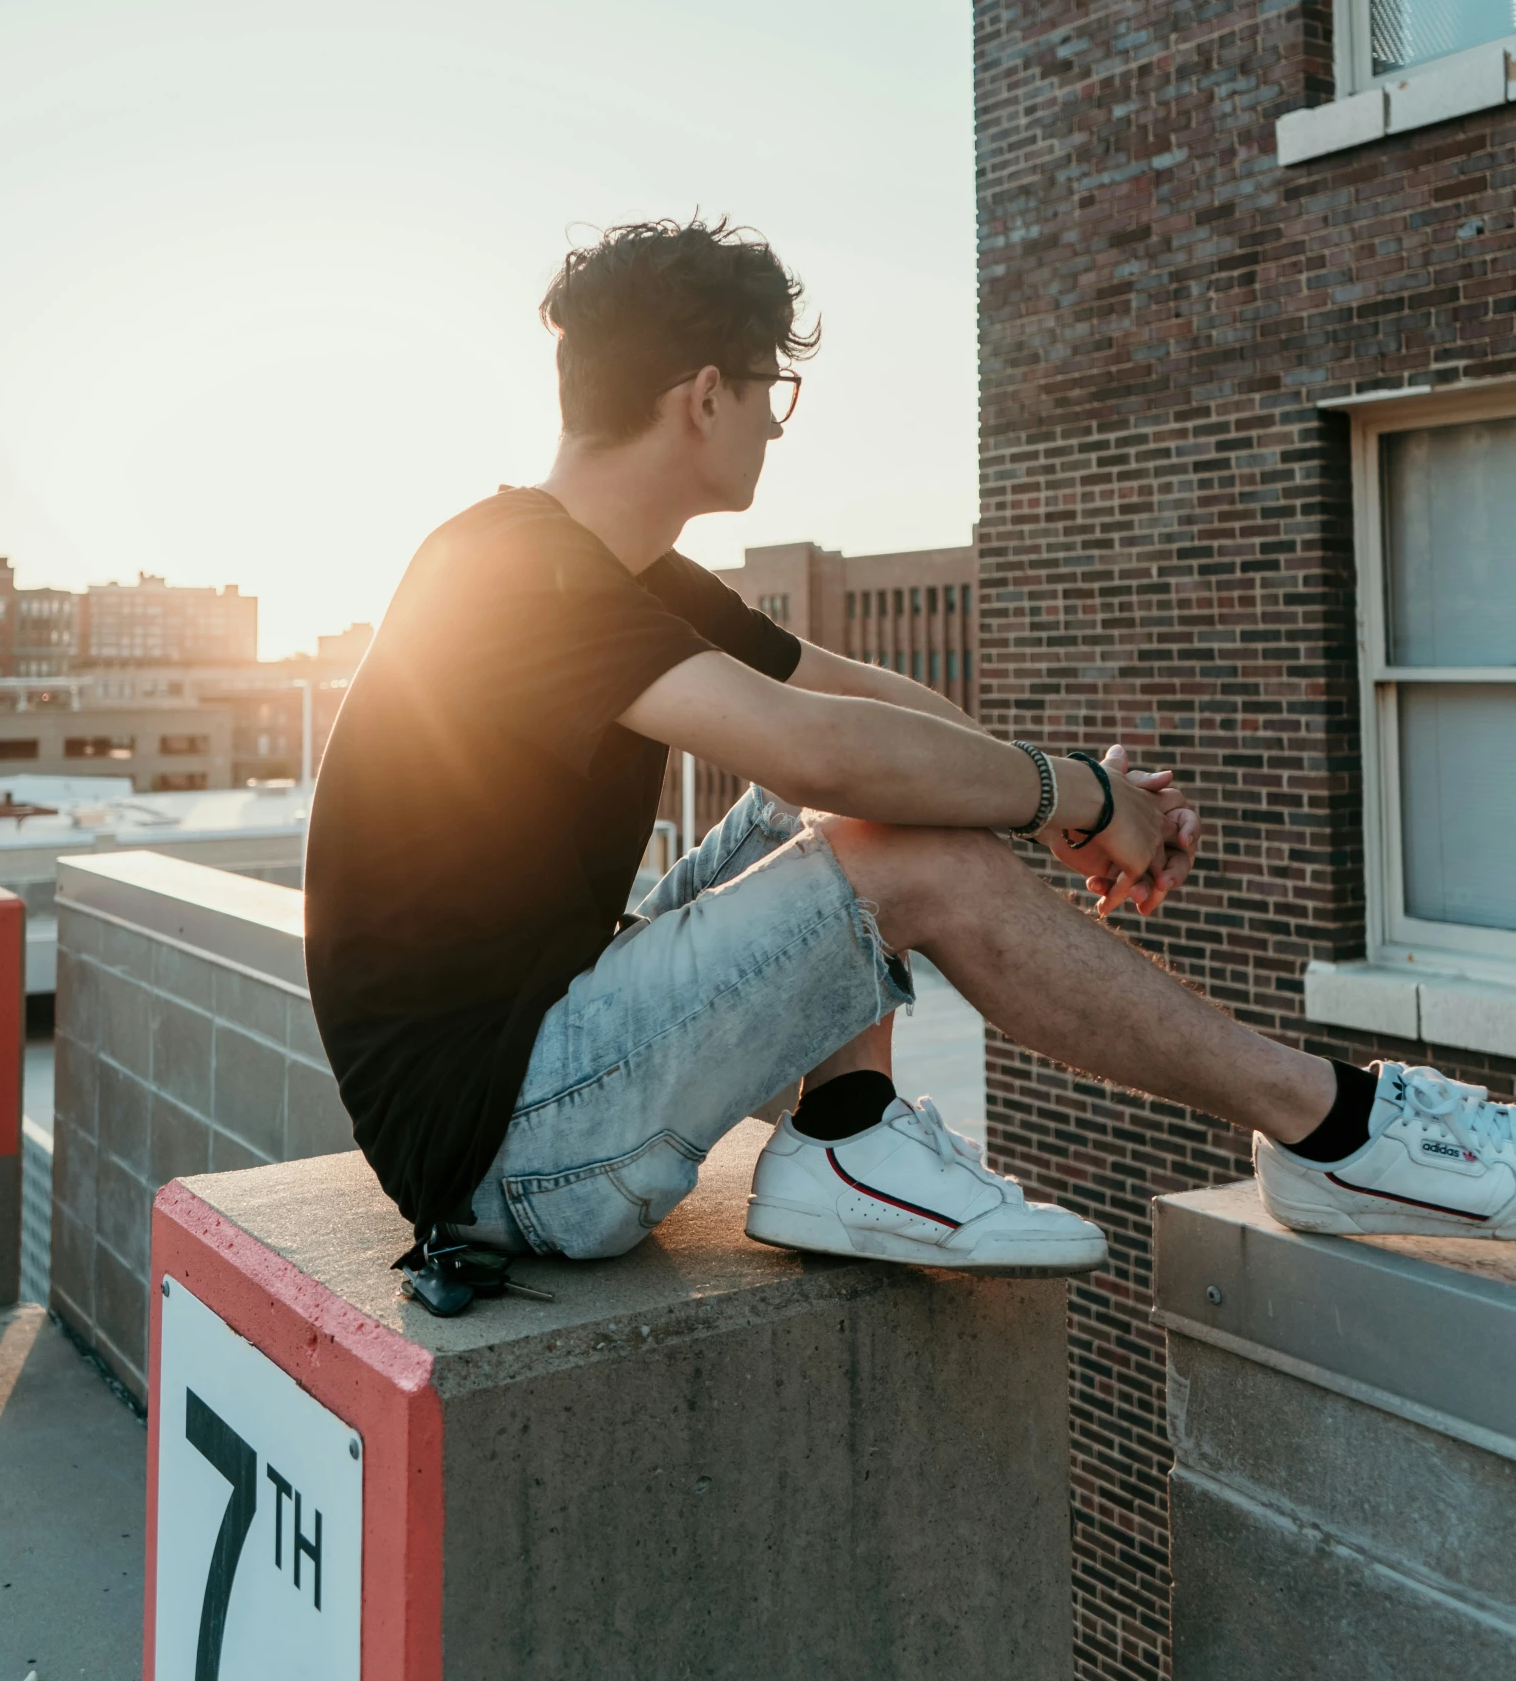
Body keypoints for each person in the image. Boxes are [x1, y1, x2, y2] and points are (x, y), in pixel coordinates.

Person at [303, 217, 1516, 1275]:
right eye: (771, 395)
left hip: (545, 1061)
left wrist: (1075, 800)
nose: (776, 430)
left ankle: (847, 1136)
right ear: (705, 395)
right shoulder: (508, 574)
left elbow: (851, 698)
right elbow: (813, 749)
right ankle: (1331, 1130)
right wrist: (1074, 798)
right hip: (508, 1150)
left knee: (886, 807)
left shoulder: (605, 566)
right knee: (904, 850)